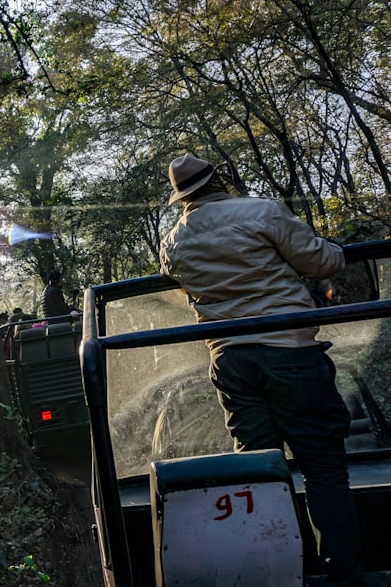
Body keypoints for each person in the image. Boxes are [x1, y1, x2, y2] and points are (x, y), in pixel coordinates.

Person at [158, 153, 363, 587]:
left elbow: (177, 277)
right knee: (324, 468)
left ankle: (287, 574)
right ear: (220, 180)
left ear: (182, 198)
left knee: (260, 471)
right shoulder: (263, 210)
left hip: (230, 360)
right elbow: (322, 262)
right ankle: (343, 577)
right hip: (288, 348)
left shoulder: (172, 241)